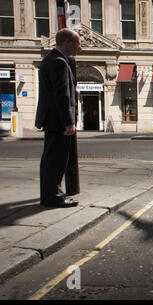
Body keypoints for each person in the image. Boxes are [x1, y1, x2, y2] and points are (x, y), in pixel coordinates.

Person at [35, 29, 81, 208]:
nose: (79, 47)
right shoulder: (59, 62)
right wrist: (68, 122)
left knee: (51, 159)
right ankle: (53, 197)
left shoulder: (51, 59)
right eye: (77, 43)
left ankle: (50, 195)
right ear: (66, 42)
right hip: (57, 121)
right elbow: (62, 95)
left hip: (52, 119)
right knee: (56, 161)